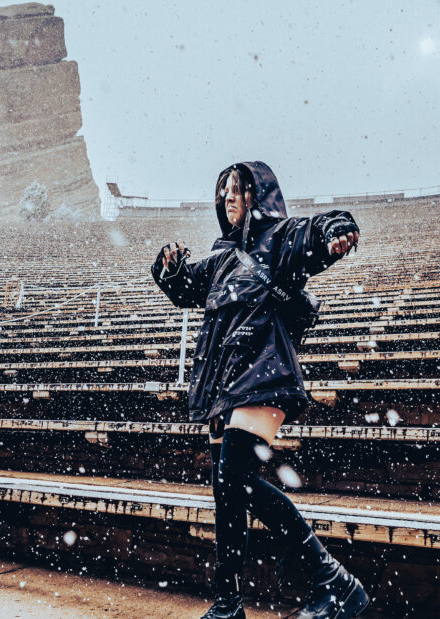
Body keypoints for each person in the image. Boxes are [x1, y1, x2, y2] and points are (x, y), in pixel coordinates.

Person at [151, 162, 367, 619]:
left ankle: (332, 579)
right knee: (228, 490)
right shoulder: (221, 256)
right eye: (224, 190)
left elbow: (316, 234)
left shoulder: (279, 238)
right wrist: (169, 268)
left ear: (259, 195)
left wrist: (337, 229)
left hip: (263, 372)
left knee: (235, 480)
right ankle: (229, 603)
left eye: (239, 189)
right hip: (225, 384)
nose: (228, 197)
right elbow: (186, 286)